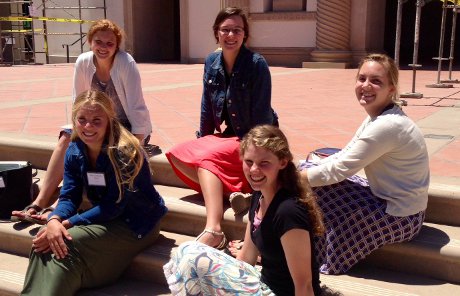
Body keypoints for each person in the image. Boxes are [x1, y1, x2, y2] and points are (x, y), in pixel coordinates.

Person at [21, 90, 167, 295]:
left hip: (136, 223)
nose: (88, 126)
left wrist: (69, 223)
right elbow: (69, 196)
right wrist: (54, 219)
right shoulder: (74, 149)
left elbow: (115, 205)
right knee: (43, 242)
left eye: (96, 120)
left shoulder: (126, 152)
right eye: (82, 119)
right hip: (105, 218)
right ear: (74, 119)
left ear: (109, 120)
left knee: (65, 241)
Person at [11, 19, 157, 224]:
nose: (103, 48)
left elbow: (137, 107)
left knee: (96, 145)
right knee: (65, 138)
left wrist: (135, 145)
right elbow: (78, 103)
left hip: (126, 125)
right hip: (93, 121)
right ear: (90, 42)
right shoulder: (83, 62)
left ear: (117, 46)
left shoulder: (126, 63)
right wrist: (76, 130)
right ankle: (39, 202)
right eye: (98, 42)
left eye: (110, 44)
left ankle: (57, 208)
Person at [299, 53, 430, 274]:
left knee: (310, 186)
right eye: (362, 79)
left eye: (376, 81)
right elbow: (345, 155)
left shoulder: (387, 126)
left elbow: (339, 170)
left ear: (391, 89)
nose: (366, 86)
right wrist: (303, 169)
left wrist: (292, 178)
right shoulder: (378, 117)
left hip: (400, 216)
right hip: (390, 201)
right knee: (309, 170)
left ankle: (292, 243)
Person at [164, 125, 325, 295]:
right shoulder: (258, 195)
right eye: (249, 162)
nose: (254, 170)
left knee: (193, 258)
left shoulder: (288, 212)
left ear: (282, 163)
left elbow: (304, 284)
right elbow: (246, 258)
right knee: (187, 250)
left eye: (264, 163)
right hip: (264, 283)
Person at [165, 7, 278, 248]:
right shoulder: (211, 62)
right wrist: (202, 140)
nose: (230, 35)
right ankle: (234, 195)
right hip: (228, 136)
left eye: (237, 30)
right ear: (216, 33)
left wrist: (252, 154)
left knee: (207, 161)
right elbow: (207, 104)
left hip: (255, 139)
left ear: (244, 35)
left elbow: (261, 118)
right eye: (225, 30)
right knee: (177, 155)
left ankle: (214, 229)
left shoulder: (256, 64)